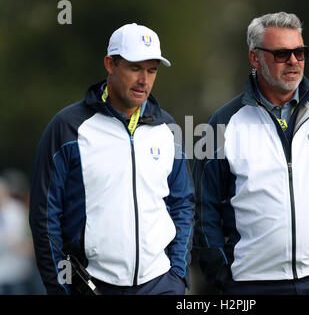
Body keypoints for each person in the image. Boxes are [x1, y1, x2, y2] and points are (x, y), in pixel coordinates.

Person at [193, 12, 309, 295]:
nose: (294, 61)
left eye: (300, 52)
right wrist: (222, 274)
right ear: (255, 58)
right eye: (282, 53)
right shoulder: (222, 123)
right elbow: (201, 207)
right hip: (252, 282)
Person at [29, 23, 195, 295]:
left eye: (151, 70)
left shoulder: (168, 129)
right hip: (94, 285)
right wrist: (61, 289)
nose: (144, 80)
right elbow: (45, 217)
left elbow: (182, 204)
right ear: (110, 64)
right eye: (135, 68)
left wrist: (177, 274)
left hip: (161, 284)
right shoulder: (68, 127)